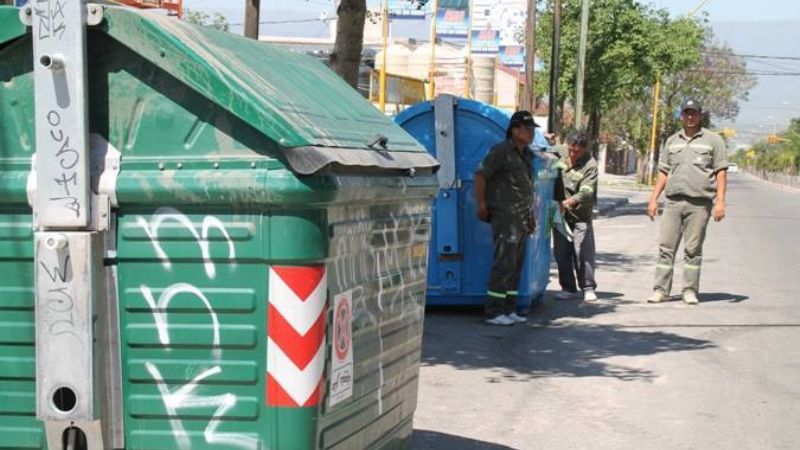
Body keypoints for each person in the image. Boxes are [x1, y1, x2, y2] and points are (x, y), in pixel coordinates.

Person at [646, 98, 729, 305]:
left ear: (700, 115)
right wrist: (653, 199)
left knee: (693, 250)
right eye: (686, 113)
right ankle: (660, 290)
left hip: (699, 204)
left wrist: (720, 201)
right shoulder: (672, 141)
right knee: (666, 248)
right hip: (673, 202)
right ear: (681, 115)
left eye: (694, 113)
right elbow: (664, 172)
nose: (690, 117)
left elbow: (721, 172)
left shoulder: (713, 140)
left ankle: (689, 290)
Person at [474, 111, 538, 326]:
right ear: (515, 130)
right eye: (527, 129)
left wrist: (530, 215)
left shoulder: (526, 155)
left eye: (532, 129)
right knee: (503, 264)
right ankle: (494, 312)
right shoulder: (501, 151)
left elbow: (527, 189)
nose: (531, 133)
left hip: (521, 218)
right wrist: (482, 205)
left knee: (515, 266)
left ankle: (509, 309)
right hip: (505, 217)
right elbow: (480, 175)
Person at [552, 131, 599, 302]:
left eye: (577, 151)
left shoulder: (590, 165)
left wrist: (566, 203)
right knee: (561, 252)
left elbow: (586, 192)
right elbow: (543, 151)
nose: (572, 154)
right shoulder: (560, 151)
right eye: (570, 149)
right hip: (560, 215)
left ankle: (588, 287)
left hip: (580, 215)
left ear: (584, 149)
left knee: (582, 252)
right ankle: (568, 288)